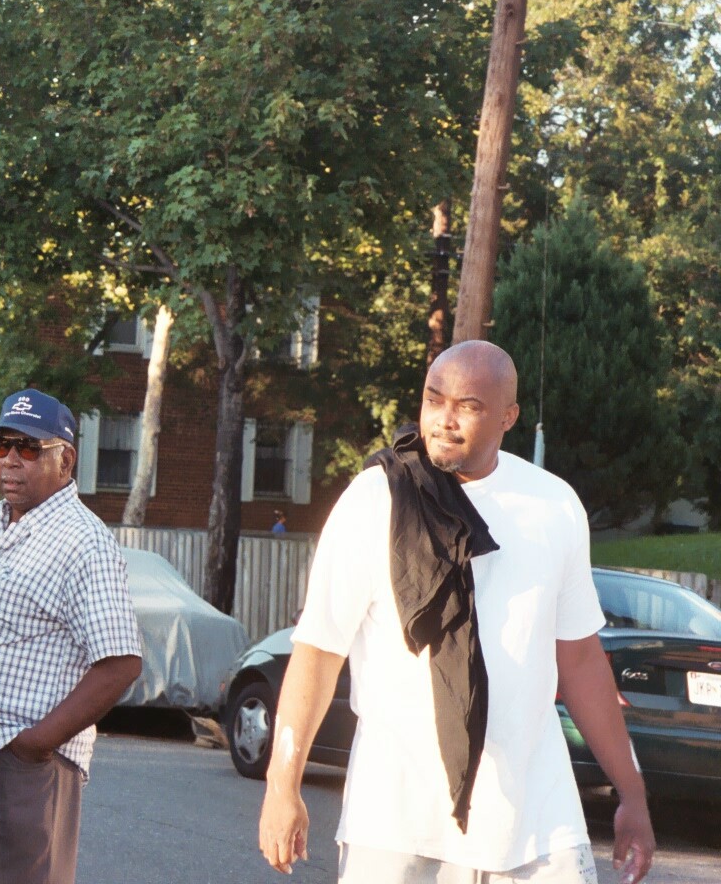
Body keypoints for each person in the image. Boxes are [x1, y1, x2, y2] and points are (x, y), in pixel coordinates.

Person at [258, 340, 655, 884]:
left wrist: (632, 794)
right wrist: (283, 786)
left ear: (509, 417)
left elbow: (581, 659)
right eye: (433, 398)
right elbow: (320, 649)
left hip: (535, 823)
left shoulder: (554, 505)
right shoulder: (377, 499)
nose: (443, 420)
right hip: (397, 824)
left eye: (468, 405)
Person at [0, 389, 143, 884]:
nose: (9, 460)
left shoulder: (83, 542)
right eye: (1, 445)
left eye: (27, 447)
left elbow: (121, 662)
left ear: (64, 460)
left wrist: (35, 744)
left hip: (20, 768)